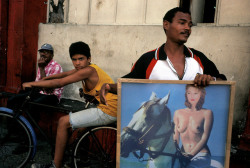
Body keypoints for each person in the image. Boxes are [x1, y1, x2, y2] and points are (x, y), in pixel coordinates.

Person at [99, 7, 226, 105]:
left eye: (190, 25)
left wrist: (210, 80)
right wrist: (109, 86)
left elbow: (223, 83)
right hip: (160, 132)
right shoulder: (149, 60)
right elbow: (129, 85)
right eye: (182, 23)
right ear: (166, 24)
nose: (187, 28)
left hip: (190, 130)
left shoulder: (198, 58)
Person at [22, 41, 117, 168]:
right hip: (109, 107)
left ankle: (56, 165)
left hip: (109, 110)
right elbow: (65, 74)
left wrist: (32, 83)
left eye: (81, 59)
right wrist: (46, 79)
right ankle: (83, 161)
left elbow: (60, 82)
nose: (77, 63)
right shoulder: (86, 68)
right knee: (81, 130)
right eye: (74, 59)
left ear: (89, 59)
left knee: (63, 122)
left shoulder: (88, 70)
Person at [7, 43, 63, 110]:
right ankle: (14, 118)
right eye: (41, 52)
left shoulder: (56, 67)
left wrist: (42, 68)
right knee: (13, 99)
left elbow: (48, 89)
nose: (43, 54)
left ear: (52, 55)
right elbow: (37, 83)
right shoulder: (42, 64)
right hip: (40, 92)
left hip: (52, 96)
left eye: (46, 52)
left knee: (32, 104)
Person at [173, 84, 213, 167]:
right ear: (186, 94)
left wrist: (190, 155)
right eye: (189, 93)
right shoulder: (178, 113)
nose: (192, 96)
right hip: (183, 154)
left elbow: (204, 138)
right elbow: (175, 137)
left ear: (201, 95)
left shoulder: (207, 113)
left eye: (195, 93)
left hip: (201, 154)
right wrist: (177, 152)